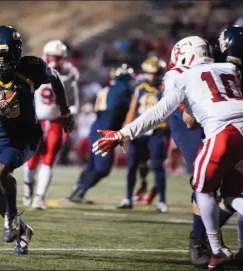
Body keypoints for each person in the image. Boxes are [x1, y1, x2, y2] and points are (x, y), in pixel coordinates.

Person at [92, 36, 243, 270]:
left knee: (202, 189)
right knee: (233, 194)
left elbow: (159, 113)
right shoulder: (229, 68)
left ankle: (217, 250)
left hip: (224, 131)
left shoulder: (179, 75)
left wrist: (122, 134)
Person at [0, 25, 74, 254]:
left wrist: (64, 110)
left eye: (5, 55)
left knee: (0, 169)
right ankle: (23, 231)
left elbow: (55, 78)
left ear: (16, 53)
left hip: (25, 136)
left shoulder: (31, 68)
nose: (0, 60)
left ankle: (12, 218)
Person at [185, 26, 243, 267]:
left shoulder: (217, 67)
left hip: (225, 135)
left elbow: (189, 120)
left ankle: (204, 242)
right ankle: (242, 250)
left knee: (206, 188)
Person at [23, 40, 80, 210]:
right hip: (35, 120)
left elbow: (74, 103)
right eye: (51, 56)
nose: (54, 60)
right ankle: (28, 189)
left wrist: (69, 113)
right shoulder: (33, 69)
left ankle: (39, 197)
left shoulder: (70, 74)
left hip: (56, 121)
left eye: (58, 57)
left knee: (49, 159)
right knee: (31, 159)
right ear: (45, 55)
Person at [66, 64, 133, 204]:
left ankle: (77, 187)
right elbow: (131, 106)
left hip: (95, 128)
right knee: (103, 168)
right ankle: (81, 190)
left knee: (92, 165)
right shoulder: (124, 90)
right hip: (106, 131)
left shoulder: (105, 88)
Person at [118, 57, 168, 212]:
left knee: (157, 165)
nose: (152, 77)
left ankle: (161, 200)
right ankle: (128, 197)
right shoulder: (139, 88)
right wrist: (125, 129)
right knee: (132, 164)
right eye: (149, 73)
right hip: (139, 130)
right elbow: (132, 109)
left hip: (157, 129)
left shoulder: (165, 88)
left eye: (155, 73)